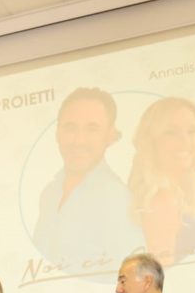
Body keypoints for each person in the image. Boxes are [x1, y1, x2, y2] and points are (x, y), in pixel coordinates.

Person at [32, 87, 143, 271]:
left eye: (92, 129)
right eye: (70, 128)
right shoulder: (50, 193)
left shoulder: (116, 197)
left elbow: (130, 275)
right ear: (57, 133)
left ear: (109, 136)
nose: (79, 141)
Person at [127, 97, 195, 266]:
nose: (185, 141)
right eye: (171, 132)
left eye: (192, 131)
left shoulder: (180, 192)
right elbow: (164, 271)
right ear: (151, 140)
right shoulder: (161, 200)